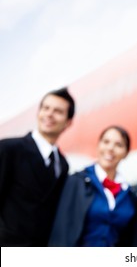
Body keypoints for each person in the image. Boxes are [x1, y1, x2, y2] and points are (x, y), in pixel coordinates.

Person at [0, 87, 75, 246]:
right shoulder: (9, 149)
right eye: (46, 108)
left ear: (68, 122)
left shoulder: (62, 164)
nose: (49, 114)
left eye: (58, 111)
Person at [49, 125, 137, 246]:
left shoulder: (129, 195)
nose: (110, 148)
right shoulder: (77, 182)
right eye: (106, 142)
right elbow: (62, 230)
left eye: (119, 145)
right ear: (98, 145)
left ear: (126, 153)